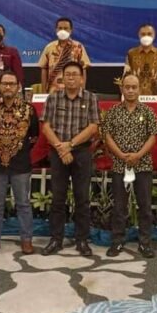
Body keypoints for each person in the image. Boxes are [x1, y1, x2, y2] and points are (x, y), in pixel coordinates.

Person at [40, 61, 100, 256]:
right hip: (58, 152)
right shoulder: (53, 98)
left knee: (82, 198)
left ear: (82, 79)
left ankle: (82, 240)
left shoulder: (91, 98)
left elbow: (93, 127)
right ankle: (56, 239)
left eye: (75, 74)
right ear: (62, 78)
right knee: (58, 198)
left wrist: (70, 145)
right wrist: (62, 149)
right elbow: (46, 126)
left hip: (81, 152)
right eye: (68, 74)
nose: (71, 77)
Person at [102, 74, 157, 258]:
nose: (130, 90)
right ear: (122, 89)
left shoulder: (148, 111)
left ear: (139, 89)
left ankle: (145, 243)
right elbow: (107, 135)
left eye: (134, 87)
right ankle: (117, 241)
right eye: (127, 87)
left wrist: (138, 155)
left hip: (142, 165)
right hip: (119, 166)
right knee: (119, 206)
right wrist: (121, 155)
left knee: (144, 206)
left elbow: (153, 136)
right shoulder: (113, 111)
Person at [0, 71, 39, 256]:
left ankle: (26, 240)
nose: (8, 87)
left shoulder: (29, 110)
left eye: (11, 84)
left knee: (23, 204)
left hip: (21, 164)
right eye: (4, 83)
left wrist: (17, 149)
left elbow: (34, 136)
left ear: (18, 87)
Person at [39, 17, 91, 93]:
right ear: (56, 30)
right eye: (60, 28)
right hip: (53, 91)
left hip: (73, 91)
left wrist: (82, 91)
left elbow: (83, 69)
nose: (62, 31)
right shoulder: (49, 47)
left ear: (71, 30)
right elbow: (44, 69)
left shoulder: (78, 47)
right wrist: (44, 92)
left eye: (66, 28)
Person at [123, 23, 157, 100]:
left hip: (155, 96)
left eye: (149, 34)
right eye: (143, 34)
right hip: (135, 96)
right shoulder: (131, 53)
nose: (146, 36)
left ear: (154, 35)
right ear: (139, 35)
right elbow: (126, 75)